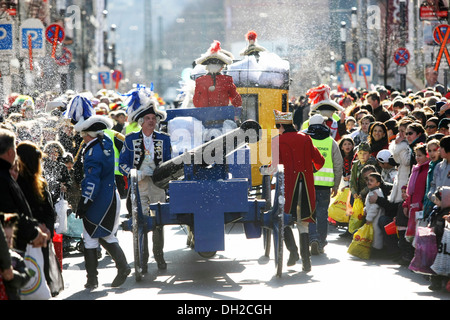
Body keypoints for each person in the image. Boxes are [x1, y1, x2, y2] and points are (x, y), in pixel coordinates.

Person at [65, 95, 130, 289]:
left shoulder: (93, 152)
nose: (81, 136)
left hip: (100, 199)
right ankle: (94, 278)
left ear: (88, 134)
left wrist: (85, 202)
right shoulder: (104, 142)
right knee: (94, 236)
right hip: (109, 195)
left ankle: (116, 270)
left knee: (99, 236)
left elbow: (92, 181)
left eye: (83, 133)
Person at [119, 86, 172, 272]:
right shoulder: (130, 139)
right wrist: (134, 173)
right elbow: (122, 164)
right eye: (148, 119)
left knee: (158, 222)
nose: (151, 121)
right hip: (139, 185)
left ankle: (159, 256)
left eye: (154, 119)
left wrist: (161, 173)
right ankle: (143, 258)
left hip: (158, 186)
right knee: (141, 222)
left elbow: (168, 162)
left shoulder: (164, 139)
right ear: (141, 121)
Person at [269, 110, 325, 271]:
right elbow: (320, 161)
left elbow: (274, 167)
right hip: (306, 186)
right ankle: (306, 262)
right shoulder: (305, 138)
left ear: (281, 126)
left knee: (283, 220)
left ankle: (293, 252)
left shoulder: (277, 141)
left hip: (288, 187)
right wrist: (309, 170)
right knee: (304, 224)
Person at [16, 141, 61, 296]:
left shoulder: (40, 182)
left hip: (41, 236)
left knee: (41, 277)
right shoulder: (16, 181)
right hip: (26, 236)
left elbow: (49, 210)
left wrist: (48, 229)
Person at [0, 128, 48, 253]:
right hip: (12, 247)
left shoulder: (6, 176)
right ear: (10, 152)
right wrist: (34, 233)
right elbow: (9, 213)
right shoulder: (4, 179)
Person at [305, 114, 343, 255]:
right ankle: (321, 242)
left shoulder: (307, 140)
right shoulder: (331, 142)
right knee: (322, 214)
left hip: (309, 185)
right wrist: (336, 185)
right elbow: (338, 165)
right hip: (325, 186)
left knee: (310, 214)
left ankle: (312, 238)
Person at [193, 40, 242, 108]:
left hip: (204, 117)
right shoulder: (227, 80)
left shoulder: (199, 81)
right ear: (221, 67)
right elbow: (237, 102)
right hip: (223, 116)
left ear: (206, 67)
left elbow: (196, 102)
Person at [404, 143, 430, 241]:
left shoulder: (427, 170)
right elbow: (410, 191)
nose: (417, 158)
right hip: (412, 207)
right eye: (416, 155)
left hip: (421, 207)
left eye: (420, 155)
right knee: (412, 235)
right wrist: (406, 204)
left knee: (419, 235)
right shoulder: (416, 169)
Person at [389, 117, 414, 202]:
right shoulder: (401, 144)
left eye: (402, 131)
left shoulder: (408, 146)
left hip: (407, 178)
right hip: (400, 176)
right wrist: (398, 145)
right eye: (399, 131)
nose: (400, 134)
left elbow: (407, 162)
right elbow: (397, 160)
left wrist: (401, 146)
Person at [364, 172, 386, 256]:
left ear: (378, 183)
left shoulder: (376, 192)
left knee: (376, 233)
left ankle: (377, 249)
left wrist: (369, 218)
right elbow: (369, 204)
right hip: (373, 217)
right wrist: (365, 209)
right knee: (373, 233)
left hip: (375, 218)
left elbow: (374, 207)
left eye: (372, 181)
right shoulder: (372, 191)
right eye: (368, 180)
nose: (369, 182)